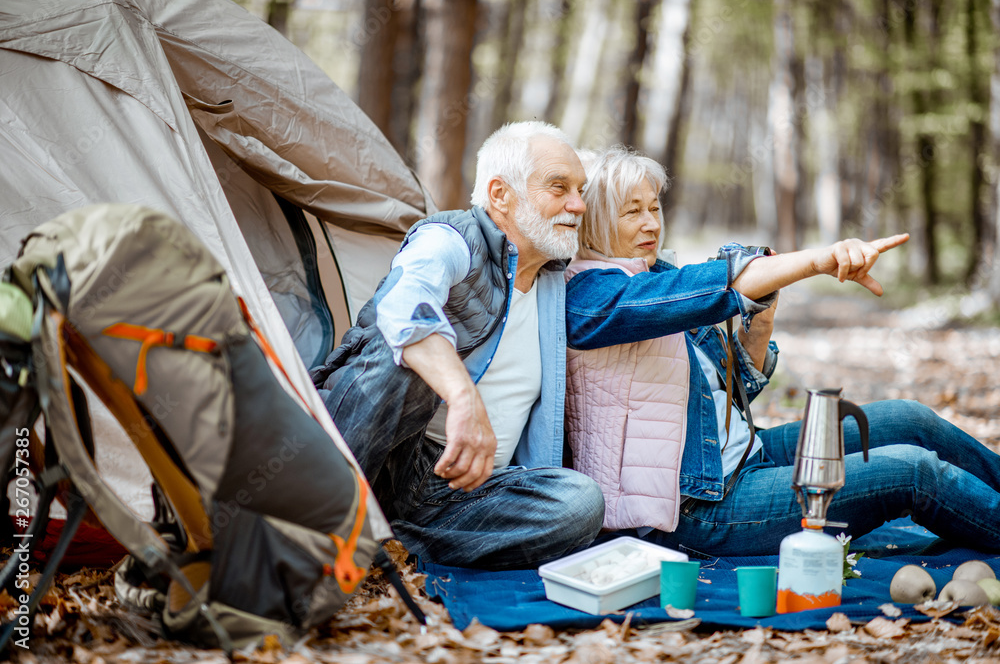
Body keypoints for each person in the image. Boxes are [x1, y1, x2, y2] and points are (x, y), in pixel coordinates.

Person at [564, 144, 1000, 558]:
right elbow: (717, 284)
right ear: (598, 222)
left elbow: (732, 396)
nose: (651, 223)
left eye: (654, 207)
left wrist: (761, 322)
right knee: (913, 471)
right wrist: (819, 260)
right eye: (632, 212)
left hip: (738, 456)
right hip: (698, 508)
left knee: (910, 419)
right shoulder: (591, 297)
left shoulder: (655, 275)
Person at [310, 122, 604, 569]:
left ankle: (393, 545)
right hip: (385, 454)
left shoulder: (556, 282)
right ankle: (317, 527)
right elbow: (403, 306)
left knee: (580, 503)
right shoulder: (449, 238)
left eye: (580, 189)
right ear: (500, 195)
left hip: (457, 491)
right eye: (559, 187)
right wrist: (463, 396)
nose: (578, 204)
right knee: (402, 360)